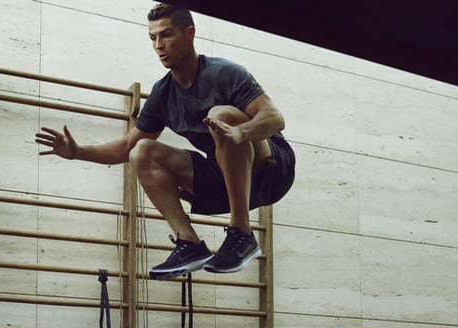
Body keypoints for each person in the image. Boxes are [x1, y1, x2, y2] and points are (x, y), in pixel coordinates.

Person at [35, 3, 295, 280]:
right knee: (141, 151)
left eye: (167, 35)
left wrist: (241, 133)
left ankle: (242, 233)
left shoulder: (223, 73)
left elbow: (275, 118)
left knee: (222, 115)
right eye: (153, 38)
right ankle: (189, 243)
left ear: (189, 33)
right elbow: (125, 148)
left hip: (270, 168)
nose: (159, 45)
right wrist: (78, 152)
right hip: (226, 178)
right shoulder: (163, 94)